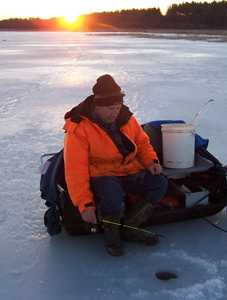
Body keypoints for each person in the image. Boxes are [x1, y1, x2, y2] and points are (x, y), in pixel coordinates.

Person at [63, 74, 168, 256]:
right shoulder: (79, 128)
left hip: (127, 169)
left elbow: (142, 143)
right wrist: (85, 204)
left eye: (118, 108)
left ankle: (129, 227)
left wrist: (151, 161)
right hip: (100, 174)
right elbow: (75, 169)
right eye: (110, 109)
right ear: (98, 106)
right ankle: (111, 235)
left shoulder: (126, 117)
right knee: (112, 194)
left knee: (159, 182)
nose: (115, 113)